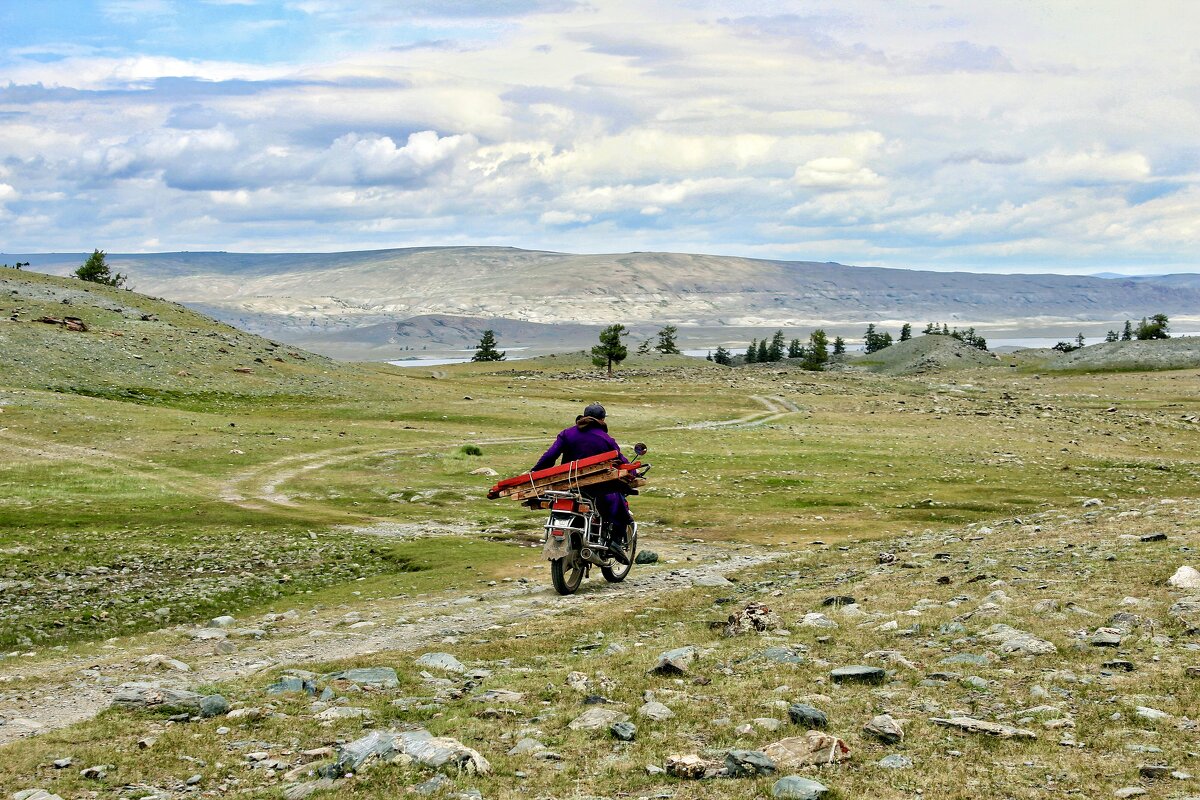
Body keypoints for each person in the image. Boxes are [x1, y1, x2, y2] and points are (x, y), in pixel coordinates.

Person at [532, 402, 633, 564]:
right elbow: (621, 461)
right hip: (595, 488)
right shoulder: (605, 439)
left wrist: (534, 473)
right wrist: (632, 473)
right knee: (618, 505)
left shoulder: (567, 434)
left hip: (567, 485)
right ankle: (614, 541)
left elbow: (550, 457)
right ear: (602, 419)